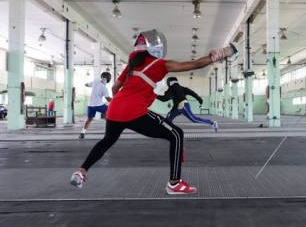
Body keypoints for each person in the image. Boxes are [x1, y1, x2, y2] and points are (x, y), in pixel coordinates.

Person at [70, 29, 237, 195]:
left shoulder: (131, 65)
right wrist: (217, 55)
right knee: (176, 134)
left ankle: (81, 171)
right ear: (157, 48)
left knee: (107, 140)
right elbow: (193, 65)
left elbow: (115, 87)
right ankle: (174, 183)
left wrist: (121, 104)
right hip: (134, 111)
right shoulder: (160, 64)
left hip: (114, 109)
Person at [80, 72, 112, 139]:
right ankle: (109, 132)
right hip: (99, 105)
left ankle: (82, 133)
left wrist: (89, 85)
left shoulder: (95, 82)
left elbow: (86, 84)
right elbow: (108, 99)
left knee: (89, 119)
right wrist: (116, 100)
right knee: (110, 112)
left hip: (90, 105)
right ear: (108, 79)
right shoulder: (104, 88)